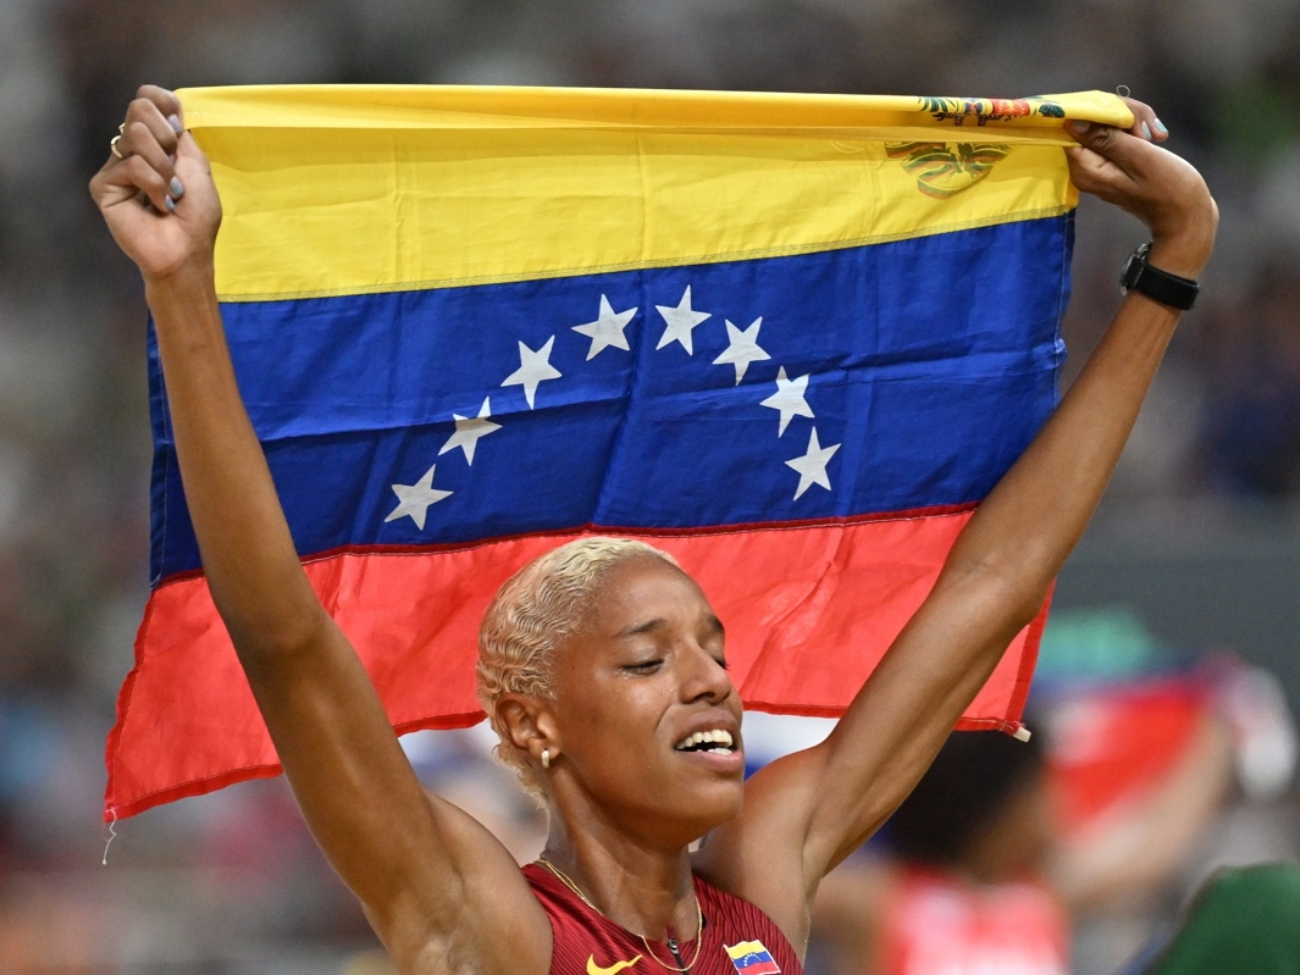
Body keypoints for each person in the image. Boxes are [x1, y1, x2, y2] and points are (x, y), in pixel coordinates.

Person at [88, 85, 1217, 975]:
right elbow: (286, 639)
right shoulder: (487, 926)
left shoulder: (762, 887)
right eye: (648, 658)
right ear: (532, 723)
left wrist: (1172, 267)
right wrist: (184, 289)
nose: (714, 682)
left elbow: (994, 580)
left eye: (714, 649)